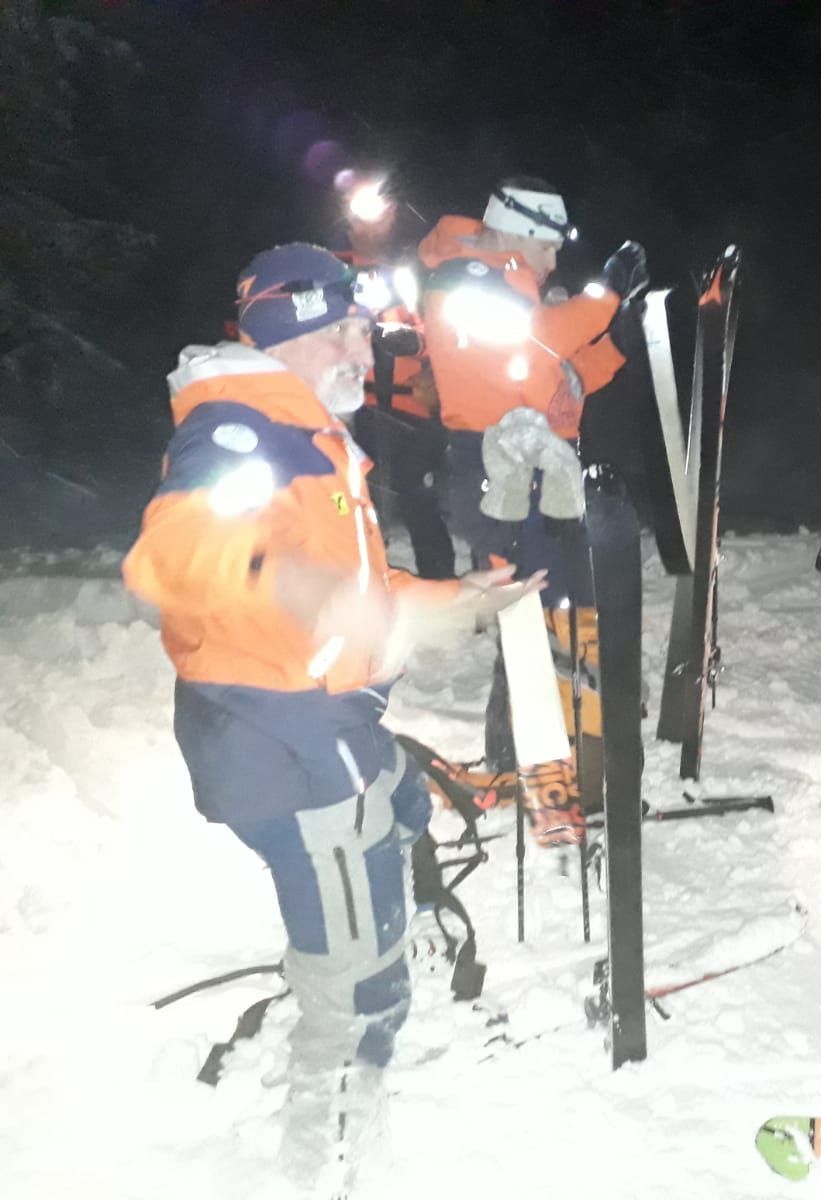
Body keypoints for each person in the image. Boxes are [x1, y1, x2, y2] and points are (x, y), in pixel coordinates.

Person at [122, 243, 537, 1187]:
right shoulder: (241, 431)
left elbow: (359, 588)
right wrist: (303, 585)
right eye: (346, 327)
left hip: (322, 728)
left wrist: (455, 595)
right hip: (285, 741)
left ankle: (382, 943)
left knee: (401, 803)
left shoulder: (305, 431)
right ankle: (334, 1144)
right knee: (354, 988)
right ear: (292, 332)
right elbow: (173, 556)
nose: (367, 346)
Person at [416, 176, 647, 786]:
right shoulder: (462, 280)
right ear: (519, 228)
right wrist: (607, 297)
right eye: (547, 248)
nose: (551, 264)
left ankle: (567, 757)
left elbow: (561, 380)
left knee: (558, 609)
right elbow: (539, 336)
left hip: (537, 465)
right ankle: (529, 758)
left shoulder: (514, 296)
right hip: (491, 466)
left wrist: (618, 343)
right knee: (532, 612)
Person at [336, 176, 456, 580]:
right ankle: (356, 589)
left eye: (381, 217)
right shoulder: (329, 271)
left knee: (418, 498)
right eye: (362, 218)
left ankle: (440, 590)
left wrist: (414, 344)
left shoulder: (409, 274)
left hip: (410, 411)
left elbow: (439, 333)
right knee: (345, 500)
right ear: (348, 223)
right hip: (351, 411)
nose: (373, 228)